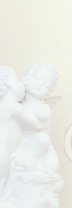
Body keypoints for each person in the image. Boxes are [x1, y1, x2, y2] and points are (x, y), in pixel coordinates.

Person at [0, 66, 41, 200]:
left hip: (8, 149)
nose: (22, 84)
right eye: (17, 80)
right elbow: (35, 124)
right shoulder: (13, 106)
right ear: (8, 85)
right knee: (2, 176)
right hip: (3, 149)